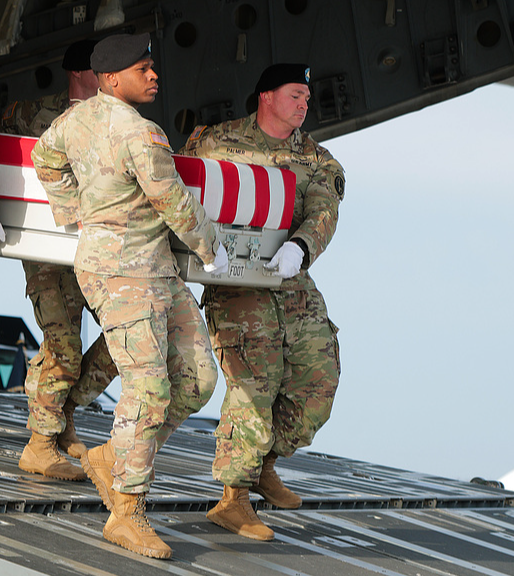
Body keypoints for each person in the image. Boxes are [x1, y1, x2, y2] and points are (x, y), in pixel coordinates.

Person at [31, 33, 228, 559]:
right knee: (148, 388)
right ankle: (127, 510)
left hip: (152, 268)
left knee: (200, 377)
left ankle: (113, 457)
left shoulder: (75, 120)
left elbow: (45, 158)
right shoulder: (141, 134)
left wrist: (69, 207)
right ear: (112, 79)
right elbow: (173, 199)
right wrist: (211, 249)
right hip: (123, 272)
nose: (154, 75)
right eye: (144, 68)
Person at [183, 63, 344, 541]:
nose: (304, 104)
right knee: (256, 378)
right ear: (266, 97)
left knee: (319, 383)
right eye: (296, 94)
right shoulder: (214, 142)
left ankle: (262, 464)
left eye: (308, 98)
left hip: (290, 279)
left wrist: (302, 246)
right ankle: (234, 498)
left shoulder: (317, 159)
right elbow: (177, 185)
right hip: (235, 280)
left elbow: (324, 209)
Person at [0, 39, 118, 482]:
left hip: (94, 251)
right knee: (63, 343)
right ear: (83, 73)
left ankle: (61, 414)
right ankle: (41, 443)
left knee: (124, 339)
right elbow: (1, 157)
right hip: (47, 252)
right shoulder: (30, 115)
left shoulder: (115, 121)